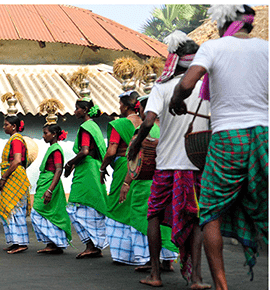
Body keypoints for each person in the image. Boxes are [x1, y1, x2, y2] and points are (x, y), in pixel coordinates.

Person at [169, 5, 267, 289]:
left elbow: (187, 82)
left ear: (223, 24)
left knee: (210, 211)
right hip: (264, 136)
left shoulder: (213, 47)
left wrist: (177, 98)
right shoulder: (266, 48)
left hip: (228, 138)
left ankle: (222, 286)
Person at [129, 30, 211, 289]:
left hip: (166, 164)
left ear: (173, 59)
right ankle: (196, 278)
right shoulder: (208, 87)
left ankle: (155, 274)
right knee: (197, 218)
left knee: (153, 214)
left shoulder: (162, 87)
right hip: (198, 163)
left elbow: (149, 121)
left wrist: (135, 144)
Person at [100, 91, 177, 266]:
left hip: (145, 182)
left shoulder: (143, 130)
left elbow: (136, 160)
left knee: (143, 218)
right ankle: (168, 259)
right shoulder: (168, 128)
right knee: (165, 219)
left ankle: (148, 260)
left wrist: (126, 182)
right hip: (167, 179)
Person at [63, 97, 109, 259]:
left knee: (75, 206)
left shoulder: (85, 127)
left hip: (87, 170)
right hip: (95, 168)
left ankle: (92, 245)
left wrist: (69, 163)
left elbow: (84, 151)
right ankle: (95, 245)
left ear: (84, 110)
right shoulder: (94, 127)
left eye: (77, 108)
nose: (75, 111)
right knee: (92, 208)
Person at [31, 123, 72, 254]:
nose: (43, 136)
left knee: (37, 211)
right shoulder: (52, 148)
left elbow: (58, 170)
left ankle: (56, 242)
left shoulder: (56, 149)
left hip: (50, 183)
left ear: (54, 134)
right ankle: (52, 243)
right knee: (46, 213)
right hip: (45, 181)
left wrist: (50, 190)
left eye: (46, 133)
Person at [0, 115, 31, 254]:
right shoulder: (13, 139)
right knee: (9, 209)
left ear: (14, 126)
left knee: (16, 209)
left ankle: (21, 242)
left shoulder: (16, 140)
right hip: (12, 175)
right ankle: (15, 241)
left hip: (14, 176)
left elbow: (17, 160)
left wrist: (4, 177)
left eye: (6, 124)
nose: (4, 127)